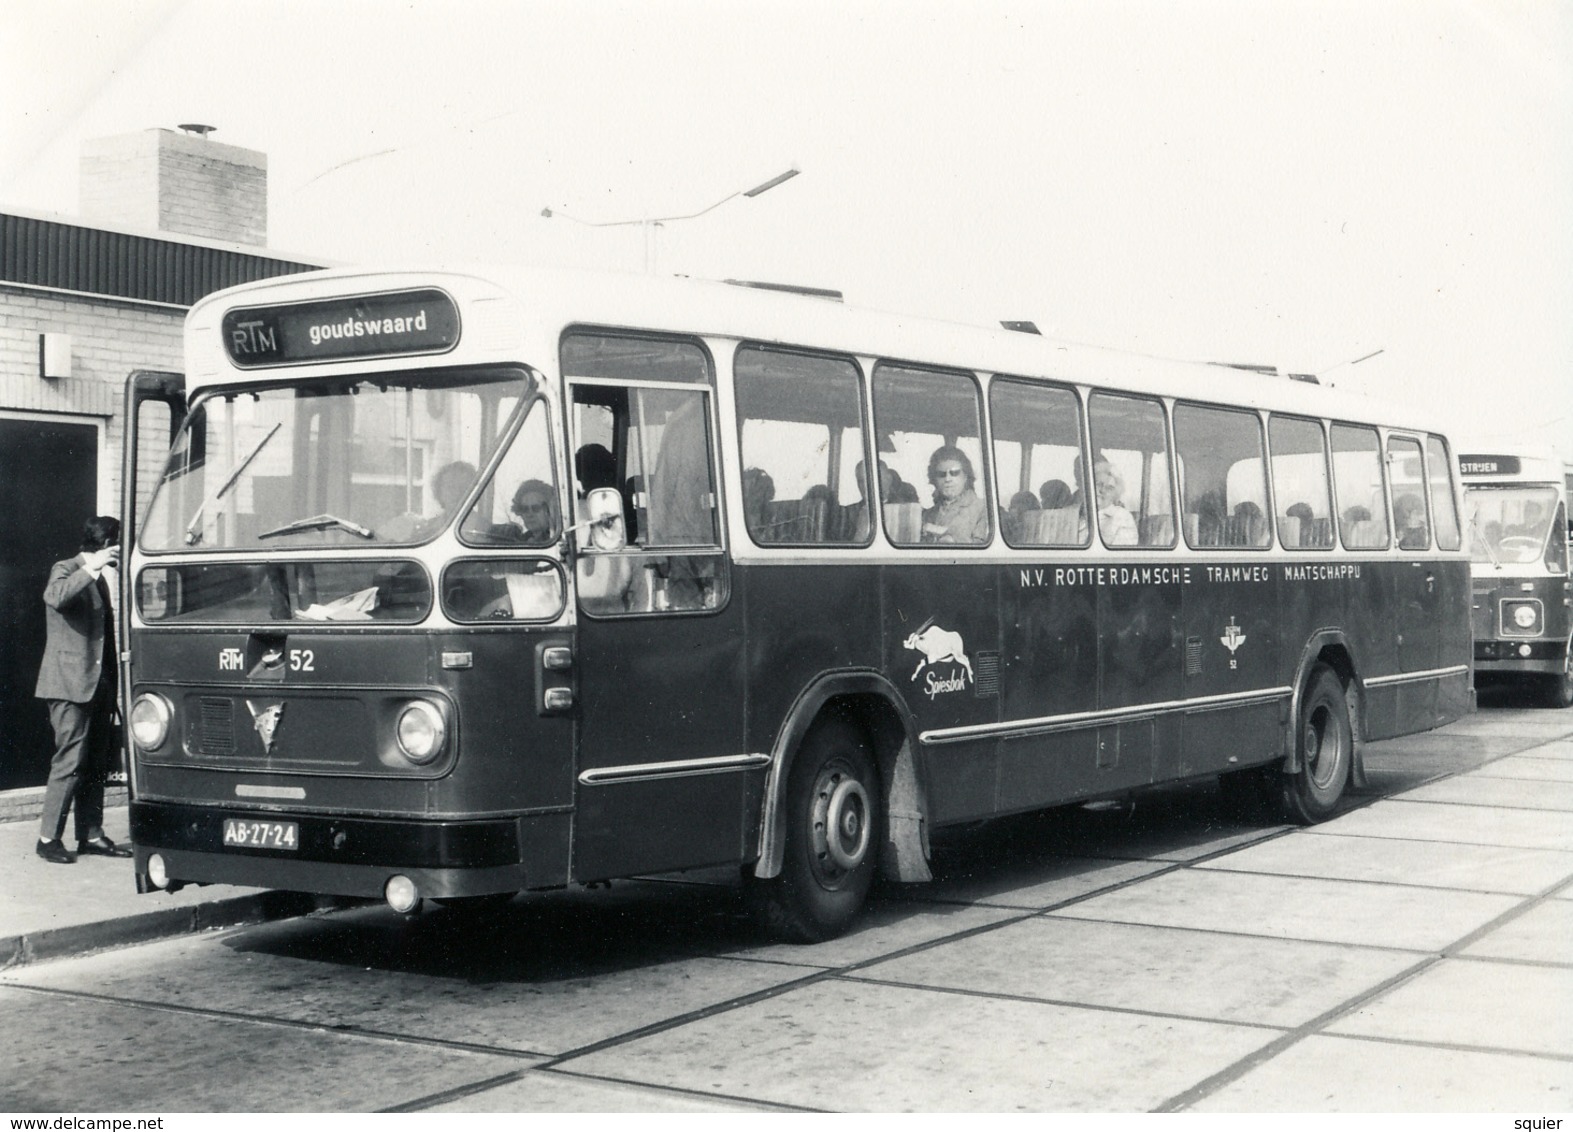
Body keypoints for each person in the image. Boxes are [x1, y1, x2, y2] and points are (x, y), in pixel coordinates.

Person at [35, 516, 130, 864]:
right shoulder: (66, 568)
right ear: (106, 543)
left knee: (94, 764)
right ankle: (48, 839)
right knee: (70, 762)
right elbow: (56, 597)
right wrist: (93, 568)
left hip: (98, 688)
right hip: (68, 686)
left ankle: (90, 834)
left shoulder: (101, 579)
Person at [921, 445, 989, 544]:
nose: (948, 479)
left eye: (954, 473)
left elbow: (982, 549)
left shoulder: (983, 509)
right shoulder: (928, 515)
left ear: (965, 476)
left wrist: (951, 539)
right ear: (934, 479)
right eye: (941, 474)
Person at [1093, 458, 1138, 546]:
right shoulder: (1078, 513)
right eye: (1099, 484)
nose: (1102, 490)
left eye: (1109, 488)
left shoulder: (1123, 517)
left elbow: (1121, 555)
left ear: (1115, 494)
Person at [509, 479, 560, 546]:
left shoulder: (557, 541)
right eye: (525, 509)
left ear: (549, 510)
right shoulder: (519, 541)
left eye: (536, 508)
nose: (530, 514)